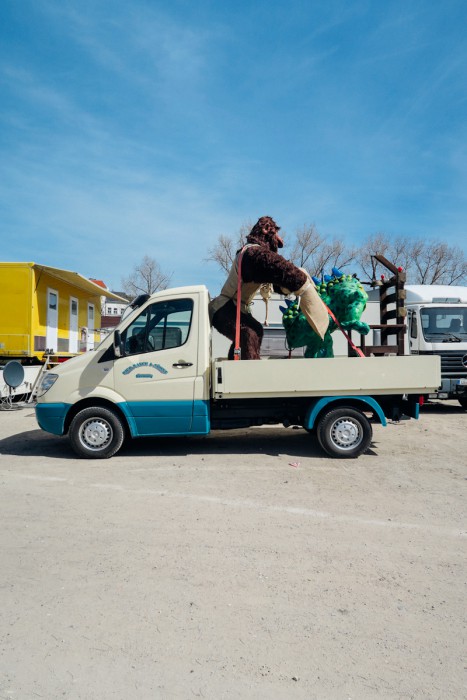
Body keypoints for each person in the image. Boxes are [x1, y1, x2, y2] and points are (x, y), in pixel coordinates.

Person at [209, 216, 329, 359]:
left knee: (255, 331)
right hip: (224, 307)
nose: (279, 241)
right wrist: (300, 281)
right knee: (249, 332)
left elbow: (275, 278)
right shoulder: (251, 253)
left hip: (236, 307)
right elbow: (274, 265)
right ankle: (249, 373)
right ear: (266, 230)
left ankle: (234, 367)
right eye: (276, 235)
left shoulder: (255, 259)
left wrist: (288, 285)